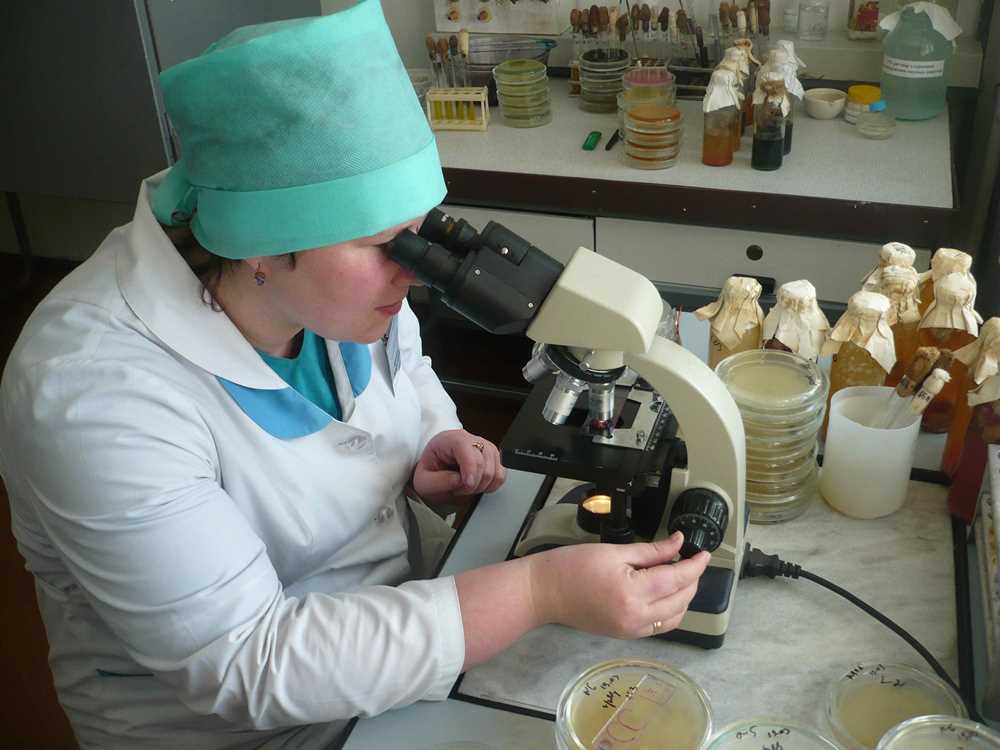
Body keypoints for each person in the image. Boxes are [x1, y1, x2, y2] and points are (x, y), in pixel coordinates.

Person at [0, 2, 710, 748]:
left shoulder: (332, 288)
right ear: (260, 242)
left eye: (421, 234)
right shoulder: (91, 391)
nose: (417, 268)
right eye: (383, 243)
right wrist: (540, 590)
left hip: (403, 641)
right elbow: (246, 663)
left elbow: (409, 368)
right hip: (246, 729)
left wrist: (429, 436)